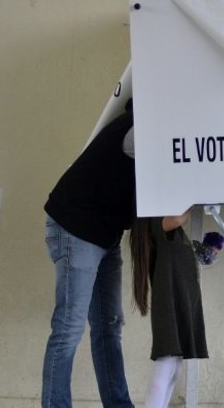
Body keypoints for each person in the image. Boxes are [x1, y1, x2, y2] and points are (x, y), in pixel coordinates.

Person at [41, 100, 136, 408]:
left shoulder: (150, 125)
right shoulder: (140, 131)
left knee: (108, 326)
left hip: (104, 233)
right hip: (75, 229)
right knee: (68, 328)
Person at [129, 210, 224, 408]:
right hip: (169, 307)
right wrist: (192, 194)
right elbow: (177, 218)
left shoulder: (173, 234)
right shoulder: (157, 224)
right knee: (165, 366)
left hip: (179, 306)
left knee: (174, 369)